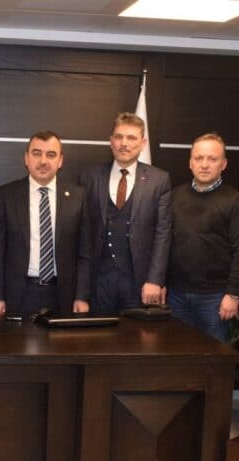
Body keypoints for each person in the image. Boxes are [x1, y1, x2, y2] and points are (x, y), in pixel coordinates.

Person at [0, 130, 90, 317]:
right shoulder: (6, 195)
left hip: (63, 296)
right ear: (26, 158)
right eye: (36, 153)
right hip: (19, 295)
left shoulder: (78, 196)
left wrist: (82, 296)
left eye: (51, 155)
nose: (43, 161)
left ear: (60, 161)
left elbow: (84, 253)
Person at [78, 112, 171, 313]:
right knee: (99, 332)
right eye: (119, 137)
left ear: (143, 143)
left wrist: (155, 280)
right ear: (111, 141)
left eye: (131, 138)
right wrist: (81, 290)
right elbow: (82, 235)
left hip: (139, 282)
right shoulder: (89, 177)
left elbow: (162, 233)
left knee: (137, 334)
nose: (124, 143)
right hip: (99, 281)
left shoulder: (159, 180)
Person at [165, 132, 239, 342]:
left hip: (215, 299)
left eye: (212, 159)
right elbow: (164, 243)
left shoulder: (235, 200)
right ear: (190, 163)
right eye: (199, 158)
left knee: (213, 357)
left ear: (223, 164)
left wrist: (233, 294)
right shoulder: (175, 196)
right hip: (176, 296)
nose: (204, 164)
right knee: (177, 353)